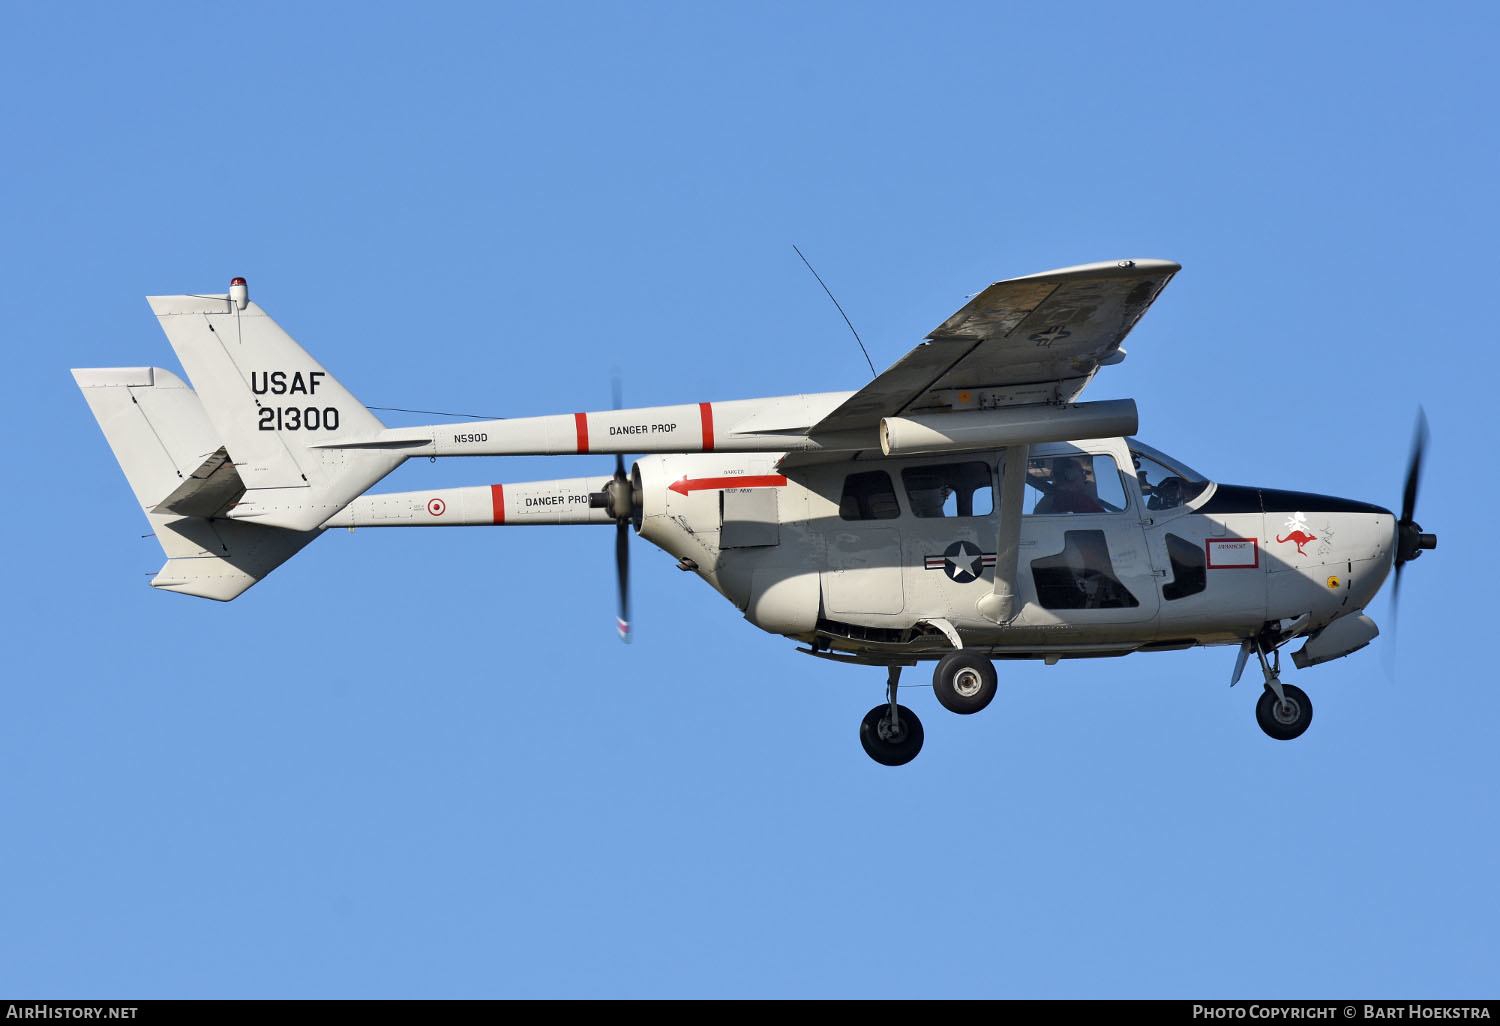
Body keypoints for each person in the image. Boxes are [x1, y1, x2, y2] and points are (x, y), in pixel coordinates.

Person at [1034, 457, 1104, 515]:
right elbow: (1106, 520)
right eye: (1082, 472)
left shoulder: (1048, 501)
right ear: (1070, 475)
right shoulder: (1075, 500)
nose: (1085, 478)